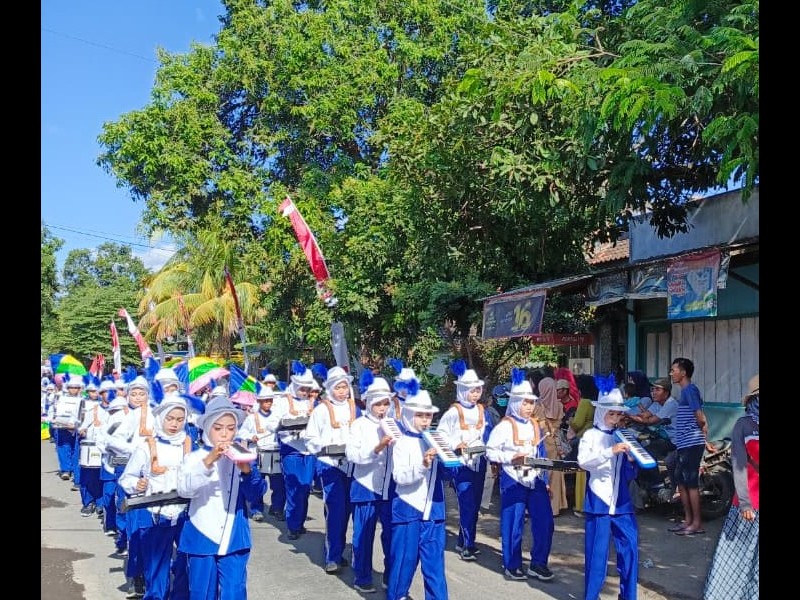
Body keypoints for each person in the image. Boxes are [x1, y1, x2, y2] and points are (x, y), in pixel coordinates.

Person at [177, 396, 268, 600]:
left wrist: (247, 471)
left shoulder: (242, 456)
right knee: (202, 592)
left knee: (234, 591)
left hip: (234, 535)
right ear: (207, 428)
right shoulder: (193, 458)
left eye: (230, 428)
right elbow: (185, 490)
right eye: (218, 428)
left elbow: (256, 494)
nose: (225, 433)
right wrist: (209, 461)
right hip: (201, 534)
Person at [119, 395, 194, 600]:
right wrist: (137, 484)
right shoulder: (147, 446)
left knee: (187, 563)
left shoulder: (189, 445)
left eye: (180, 419)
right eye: (170, 418)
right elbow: (126, 478)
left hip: (185, 513)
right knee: (157, 569)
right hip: (155, 515)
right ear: (161, 418)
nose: (175, 424)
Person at [386, 383, 456, 600]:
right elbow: (400, 477)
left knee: (435, 566)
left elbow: (449, 474)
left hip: (434, 510)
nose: (425, 420)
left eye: (428, 415)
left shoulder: (436, 438)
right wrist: (423, 464)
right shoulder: (401, 442)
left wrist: (451, 457)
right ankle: (397, 595)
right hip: (408, 508)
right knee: (404, 562)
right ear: (409, 414)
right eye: (420, 415)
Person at [486, 367, 556, 583]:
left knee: (545, 522)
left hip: (535, 479)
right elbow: (490, 452)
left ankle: (538, 563)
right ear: (515, 402)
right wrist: (511, 457)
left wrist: (545, 481)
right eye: (525, 403)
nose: (529, 407)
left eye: (531, 402)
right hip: (512, 479)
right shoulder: (504, 426)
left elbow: (540, 453)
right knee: (513, 523)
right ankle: (512, 564)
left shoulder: (535, 425)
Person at [577, 375, 639, 600]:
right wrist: (609, 452)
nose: (615, 418)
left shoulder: (623, 436)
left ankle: (628, 596)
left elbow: (630, 474)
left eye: (619, 414)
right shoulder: (591, 436)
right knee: (597, 554)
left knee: (630, 548)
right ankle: (592, 596)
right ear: (601, 412)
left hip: (622, 502)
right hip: (599, 500)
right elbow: (584, 462)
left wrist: (632, 460)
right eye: (611, 413)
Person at [703, 374, 759, 600]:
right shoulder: (744, 425)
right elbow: (739, 465)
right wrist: (745, 503)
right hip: (749, 505)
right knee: (736, 558)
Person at [304, 364, 359, 574]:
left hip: (353, 466)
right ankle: (332, 556)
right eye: (338, 388)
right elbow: (310, 438)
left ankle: (346, 552)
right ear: (330, 388)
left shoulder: (356, 408)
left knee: (351, 511)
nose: (342, 392)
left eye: (345, 387)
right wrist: (325, 448)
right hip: (330, 465)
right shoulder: (320, 410)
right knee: (335, 511)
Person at [345, 370, 396, 593]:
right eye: (378, 404)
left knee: (392, 535)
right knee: (363, 535)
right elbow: (353, 455)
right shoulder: (359, 425)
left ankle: (390, 575)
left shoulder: (394, 424)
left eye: (386, 403)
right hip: (365, 486)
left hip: (390, 488)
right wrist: (377, 448)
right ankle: (362, 576)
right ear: (368, 403)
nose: (382, 408)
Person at [436, 359, 491, 561]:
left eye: (477, 390)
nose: (475, 394)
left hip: (479, 461)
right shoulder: (453, 412)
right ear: (462, 390)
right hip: (461, 464)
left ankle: (464, 540)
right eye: (472, 390)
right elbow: (440, 436)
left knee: (475, 504)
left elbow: (488, 434)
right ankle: (468, 545)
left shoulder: (482, 411)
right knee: (466, 503)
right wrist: (456, 444)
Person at [265, 360, 317, 540]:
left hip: (309, 450)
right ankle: (293, 525)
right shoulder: (281, 402)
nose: (305, 392)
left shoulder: (313, 402)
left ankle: (299, 522)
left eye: (307, 389)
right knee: (294, 487)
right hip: (291, 449)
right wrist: (285, 424)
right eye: (302, 388)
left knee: (305, 487)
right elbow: (271, 425)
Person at [669, 357, 710, 536]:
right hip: (684, 443)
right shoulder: (685, 392)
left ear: (683, 373)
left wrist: (702, 432)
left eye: (674, 370)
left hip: (692, 442)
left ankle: (697, 523)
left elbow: (699, 417)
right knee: (681, 480)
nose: (671, 373)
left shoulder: (690, 390)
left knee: (691, 482)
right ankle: (688, 520)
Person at [237, 387, 285, 521]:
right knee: (257, 482)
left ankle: (277, 508)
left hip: (275, 452)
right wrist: (250, 437)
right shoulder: (252, 418)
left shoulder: (277, 417)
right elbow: (241, 433)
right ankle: (256, 509)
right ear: (259, 401)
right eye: (265, 400)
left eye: (270, 400)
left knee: (279, 484)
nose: (268, 403)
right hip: (257, 453)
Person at [532, 377, 569, 517]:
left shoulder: (537, 406)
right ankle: (554, 508)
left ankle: (539, 506)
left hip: (540, 442)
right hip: (555, 442)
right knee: (555, 475)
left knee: (540, 474)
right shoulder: (559, 405)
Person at [567, 375, 597, 516]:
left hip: (583, 438)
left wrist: (570, 420)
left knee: (581, 473)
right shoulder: (596, 401)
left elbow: (577, 423)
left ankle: (580, 505)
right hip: (594, 438)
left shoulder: (584, 402)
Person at [48, 376, 84, 481]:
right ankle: (65, 470)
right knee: (63, 447)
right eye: (71, 387)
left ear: (79, 389)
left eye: (76, 387)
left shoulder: (83, 399)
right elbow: (52, 411)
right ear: (67, 388)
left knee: (75, 449)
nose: (73, 389)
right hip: (61, 427)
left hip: (76, 428)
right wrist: (52, 419)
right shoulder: (59, 397)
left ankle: (74, 469)